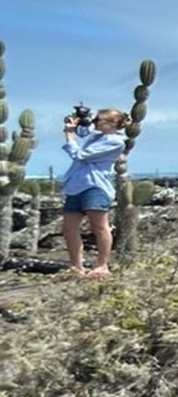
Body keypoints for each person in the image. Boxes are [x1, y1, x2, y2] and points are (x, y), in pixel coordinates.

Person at [61, 106, 126, 278]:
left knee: (99, 226)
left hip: (95, 186)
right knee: (68, 229)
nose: (94, 122)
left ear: (111, 123)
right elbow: (85, 131)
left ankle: (102, 265)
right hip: (76, 185)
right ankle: (76, 266)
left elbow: (81, 155)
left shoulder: (116, 142)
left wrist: (69, 136)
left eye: (98, 120)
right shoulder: (98, 135)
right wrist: (77, 123)